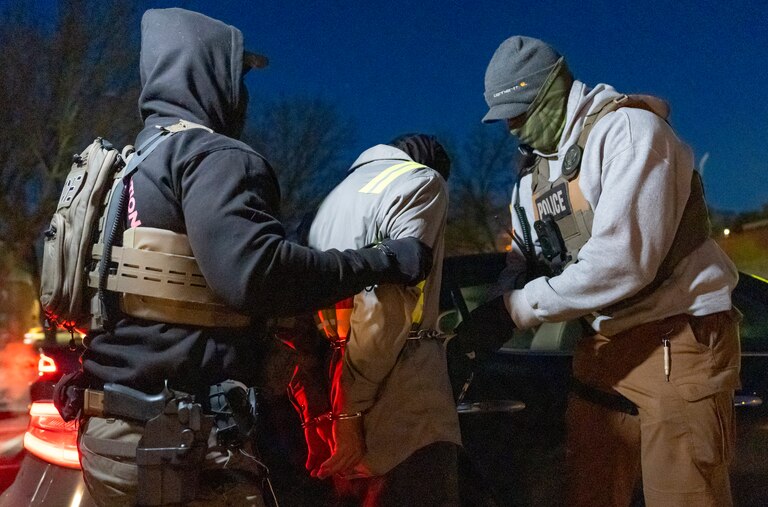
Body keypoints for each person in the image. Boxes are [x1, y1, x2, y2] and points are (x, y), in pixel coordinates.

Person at [67, 8, 434, 506]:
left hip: (112, 437)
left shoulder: (131, 168)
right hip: (184, 451)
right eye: (237, 77)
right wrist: (385, 260)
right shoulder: (214, 157)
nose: (243, 95)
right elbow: (260, 274)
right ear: (212, 76)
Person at [449, 35, 741, 507]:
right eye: (504, 118)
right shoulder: (533, 176)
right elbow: (523, 260)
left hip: (675, 338)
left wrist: (516, 310)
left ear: (553, 89)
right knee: (588, 493)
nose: (511, 127)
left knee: (687, 497)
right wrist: (483, 325)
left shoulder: (627, 131)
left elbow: (624, 260)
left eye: (521, 111)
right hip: (602, 348)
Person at [301, 134, 461, 506]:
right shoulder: (420, 182)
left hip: (336, 398)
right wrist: (351, 410)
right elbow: (385, 305)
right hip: (405, 413)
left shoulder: (333, 199)